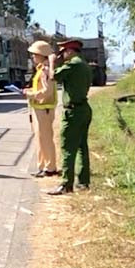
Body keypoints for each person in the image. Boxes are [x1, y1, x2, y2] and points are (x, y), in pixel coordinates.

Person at [48, 39, 93, 195]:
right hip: (84, 109)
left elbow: (53, 77)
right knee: (82, 147)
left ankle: (66, 184)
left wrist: (52, 62)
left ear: (69, 51)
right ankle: (83, 182)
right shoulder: (84, 65)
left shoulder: (72, 65)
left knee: (68, 147)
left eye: (63, 53)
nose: (62, 56)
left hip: (73, 112)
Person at [23, 40, 58, 177]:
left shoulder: (45, 70)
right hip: (40, 108)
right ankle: (43, 166)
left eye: (35, 54)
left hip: (45, 109)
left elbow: (47, 91)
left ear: (42, 55)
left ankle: (50, 167)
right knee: (40, 138)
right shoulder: (40, 69)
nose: (33, 57)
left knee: (45, 138)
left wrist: (30, 94)